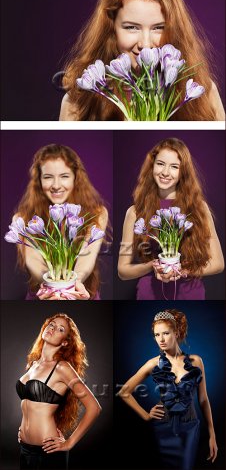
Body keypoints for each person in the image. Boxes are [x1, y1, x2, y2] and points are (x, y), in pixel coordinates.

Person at [59, 0, 225, 121]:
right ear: (111, 29)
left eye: (158, 28)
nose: (145, 45)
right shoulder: (79, 101)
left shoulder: (205, 93)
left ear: (175, 31)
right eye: (131, 27)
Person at [118, 137, 224, 300]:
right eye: (160, 164)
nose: (165, 172)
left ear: (183, 172)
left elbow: (218, 263)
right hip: (149, 295)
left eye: (174, 166)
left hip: (191, 294)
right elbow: (123, 271)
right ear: (152, 166)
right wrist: (152, 266)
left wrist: (184, 271)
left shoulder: (198, 208)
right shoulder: (134, 212)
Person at [118, 309, 218, 470]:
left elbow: (203, 399)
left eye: (165, 333)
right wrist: (145, 415)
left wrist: (212, 434)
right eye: (157, 335)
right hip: (161, 428)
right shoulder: (153, 363)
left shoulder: (196, 361)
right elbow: (124, 392)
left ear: (176, 333)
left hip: (189, 427)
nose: (161, 339)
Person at [13, 144, 108, 300]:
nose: (56, 185)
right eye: (48, 177)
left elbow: (86, 257)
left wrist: (71, 286)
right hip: (44, 295)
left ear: (76, 178)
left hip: (80, 293)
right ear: (38, 180)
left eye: (64, 176)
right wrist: (55, 287)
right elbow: (33, 260)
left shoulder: (97, 213)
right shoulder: (22, 219)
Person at [17, 313, 102, 470]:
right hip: (24, 449)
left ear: (65, 342)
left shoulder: (62, 368)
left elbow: (94, 407)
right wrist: (24, 431)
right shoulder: (33, 364)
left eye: (60, 329)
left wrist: (69, 443)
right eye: (52, 324)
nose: (53, 328)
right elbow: (30, 406)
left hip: (47, 452)